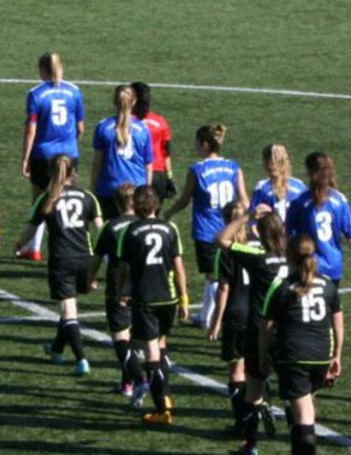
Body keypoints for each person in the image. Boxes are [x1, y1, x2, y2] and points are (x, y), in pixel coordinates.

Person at [262, 234, 344, 455]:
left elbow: (267, 326)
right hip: (321, 355)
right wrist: (337, 356)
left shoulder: (283, 286)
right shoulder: (329, 285)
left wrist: (264, 354)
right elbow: (338, 324)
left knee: (303, 417)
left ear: (290, 256)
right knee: (302, 410)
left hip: (294, 356)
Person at [14, 156, 100, 374]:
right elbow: (101, 228)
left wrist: (19, 245)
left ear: (52, 173)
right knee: (68, 309)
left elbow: (32, 229)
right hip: (85, 259)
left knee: (69, 311)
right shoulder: (88, 197)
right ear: (75, 172)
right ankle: (56, 349)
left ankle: (82, 359)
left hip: (62, 261)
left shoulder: (47, 198)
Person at [215, 207, 288, 455]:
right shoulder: (293, 256)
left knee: (253, 388)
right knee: (296, 394)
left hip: (259, 328)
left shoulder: (257, 255)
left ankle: (250, 443)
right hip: (289, 331)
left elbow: (222, 240)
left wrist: (245, 217)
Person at [164, 123, 247, 331]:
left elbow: (185, 199)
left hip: (207, 231)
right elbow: (244, 200)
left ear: (204, 144)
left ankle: (208, 319)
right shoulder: (233, 167)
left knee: (213, 276)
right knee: (225, 274)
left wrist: (170, 212)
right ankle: (207, 315)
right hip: (231, 231)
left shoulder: (198, 169)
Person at [122, 188, 189, 425]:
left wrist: (123, 291)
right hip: (168, 297)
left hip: (145, 298)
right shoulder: (170, 229)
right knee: (161, 346)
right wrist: (184, 299)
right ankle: (167, 395)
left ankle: (162, 409)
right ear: (156, 205)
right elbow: (179, 268)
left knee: (151, 351)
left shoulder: (132, 231)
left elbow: (125, 267)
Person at [17, 52, 84, 259]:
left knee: (39, 201)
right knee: (66, 200)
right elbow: (80, 127)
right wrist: (70, 145)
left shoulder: (36, 94)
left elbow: (31, 130)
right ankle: (71, 246)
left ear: (42, 69)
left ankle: (34, 248)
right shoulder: (74, 91)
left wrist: (26, 158)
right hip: (69, 155)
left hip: (43, 156)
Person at [284, 151, 351, 305]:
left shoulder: (299, 202)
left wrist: (288, 264)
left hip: (308, 264)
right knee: (330, 307)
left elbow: (287, 235)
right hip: (334, 265)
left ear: (309, 173)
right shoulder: (339, 200)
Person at [91, 183, 141, 396]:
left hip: (118, 287)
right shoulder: (145, 223)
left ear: (117, 203)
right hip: (143, 286)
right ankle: (127, 383)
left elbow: (97, 257)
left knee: (120, 339)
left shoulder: (110, 226)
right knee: (135, 337)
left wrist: (90, 278)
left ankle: (138, 379)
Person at [90, 84, 154, 219]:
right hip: (136, 189)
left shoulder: (102, 127)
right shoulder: (143, 129)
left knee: (111, 234)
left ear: (114, 101)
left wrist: (93, 188)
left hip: (109, 188)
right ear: (134, 102)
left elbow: (97, 163)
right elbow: (148, 166)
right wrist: (146, 191)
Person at [134, 83, 175, 201]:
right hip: (158, 175)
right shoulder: (160, 121)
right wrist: (169, 177)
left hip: (137, 173)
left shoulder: (125, 123)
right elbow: (166, 152)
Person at [250, 143, 307, 226]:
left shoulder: (262, 188)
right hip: (294, 237)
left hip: (271, 237)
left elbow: (252, 222)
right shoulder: (300, 186)